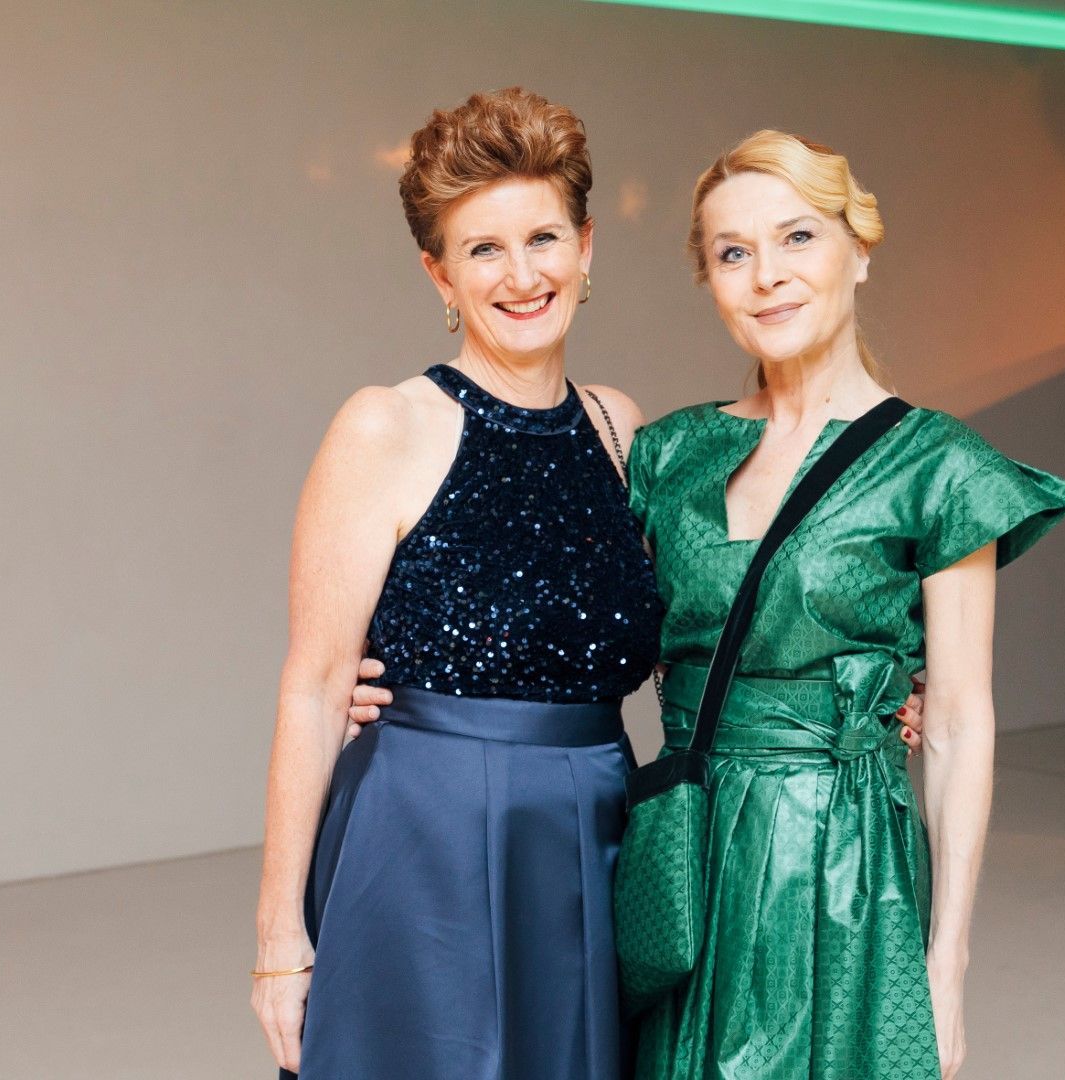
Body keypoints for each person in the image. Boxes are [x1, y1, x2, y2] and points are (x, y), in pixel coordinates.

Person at [255, 86, 932, 1079]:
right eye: (483, 249)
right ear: (439, 273)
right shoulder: (386, 426)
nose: (522, 274)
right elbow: (314, 689)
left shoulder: (622, 429)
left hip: (595, 832)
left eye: (543, 238)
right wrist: (280, 942)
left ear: (586, 248)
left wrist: (870, 683)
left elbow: (706, 619)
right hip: (423, 835)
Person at [624, 131, 1065, 1080]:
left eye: (798, 237)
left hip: (846, 868)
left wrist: (947, 967)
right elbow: (590, 640)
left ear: (860, 250)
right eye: (733, 253)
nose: (767, 277)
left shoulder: (937, 465)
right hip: (686, 854)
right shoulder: (667, 455)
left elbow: (957, 720)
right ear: (710, 279)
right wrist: (391, 688)